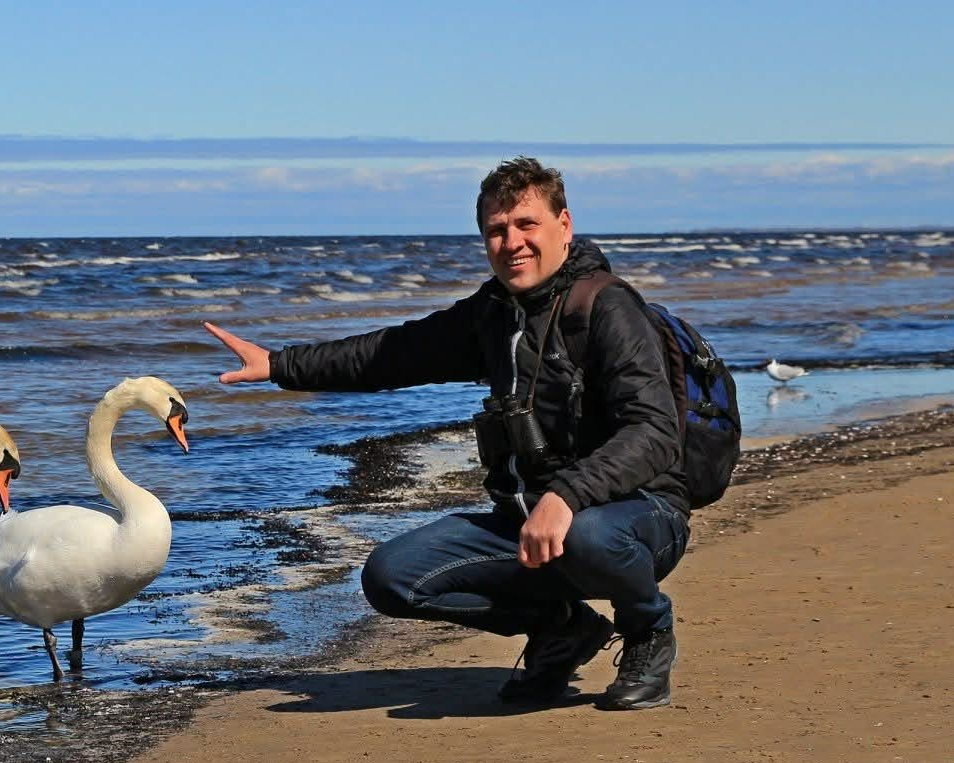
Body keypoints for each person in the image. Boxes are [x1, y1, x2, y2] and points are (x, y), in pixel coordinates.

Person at [206, 156, 687, 710]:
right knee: (392, 577)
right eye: (497, 231)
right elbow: (391, 355)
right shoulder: (493, 314)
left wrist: (565, 496)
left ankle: (649, 628)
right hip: (530, 520)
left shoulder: (608, 307)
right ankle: (563, 629)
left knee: (585, 535)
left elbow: (655, 432)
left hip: (639, 516)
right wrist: (279, 365)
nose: (513, 243)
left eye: (526, 225)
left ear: (564, 226)